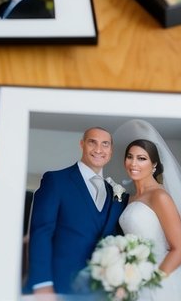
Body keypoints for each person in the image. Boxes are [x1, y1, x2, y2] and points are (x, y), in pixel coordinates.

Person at [26, 126, 125, 295]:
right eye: (92, 142)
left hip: (100, 289)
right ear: (82, 144)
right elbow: (41, 232)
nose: (99, 149)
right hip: (58, 284)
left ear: (111, 150)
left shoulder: (114, 192)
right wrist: (42, 283)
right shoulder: (56, 180)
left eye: (105, 144)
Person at [117, 129, 181, 300]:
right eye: (130, 157)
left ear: (154, 165)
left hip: (163, 278)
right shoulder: (130, 197)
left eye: (141, 158)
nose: (133, 163)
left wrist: (153, 282)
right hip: (135, 275)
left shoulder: (159, 196)